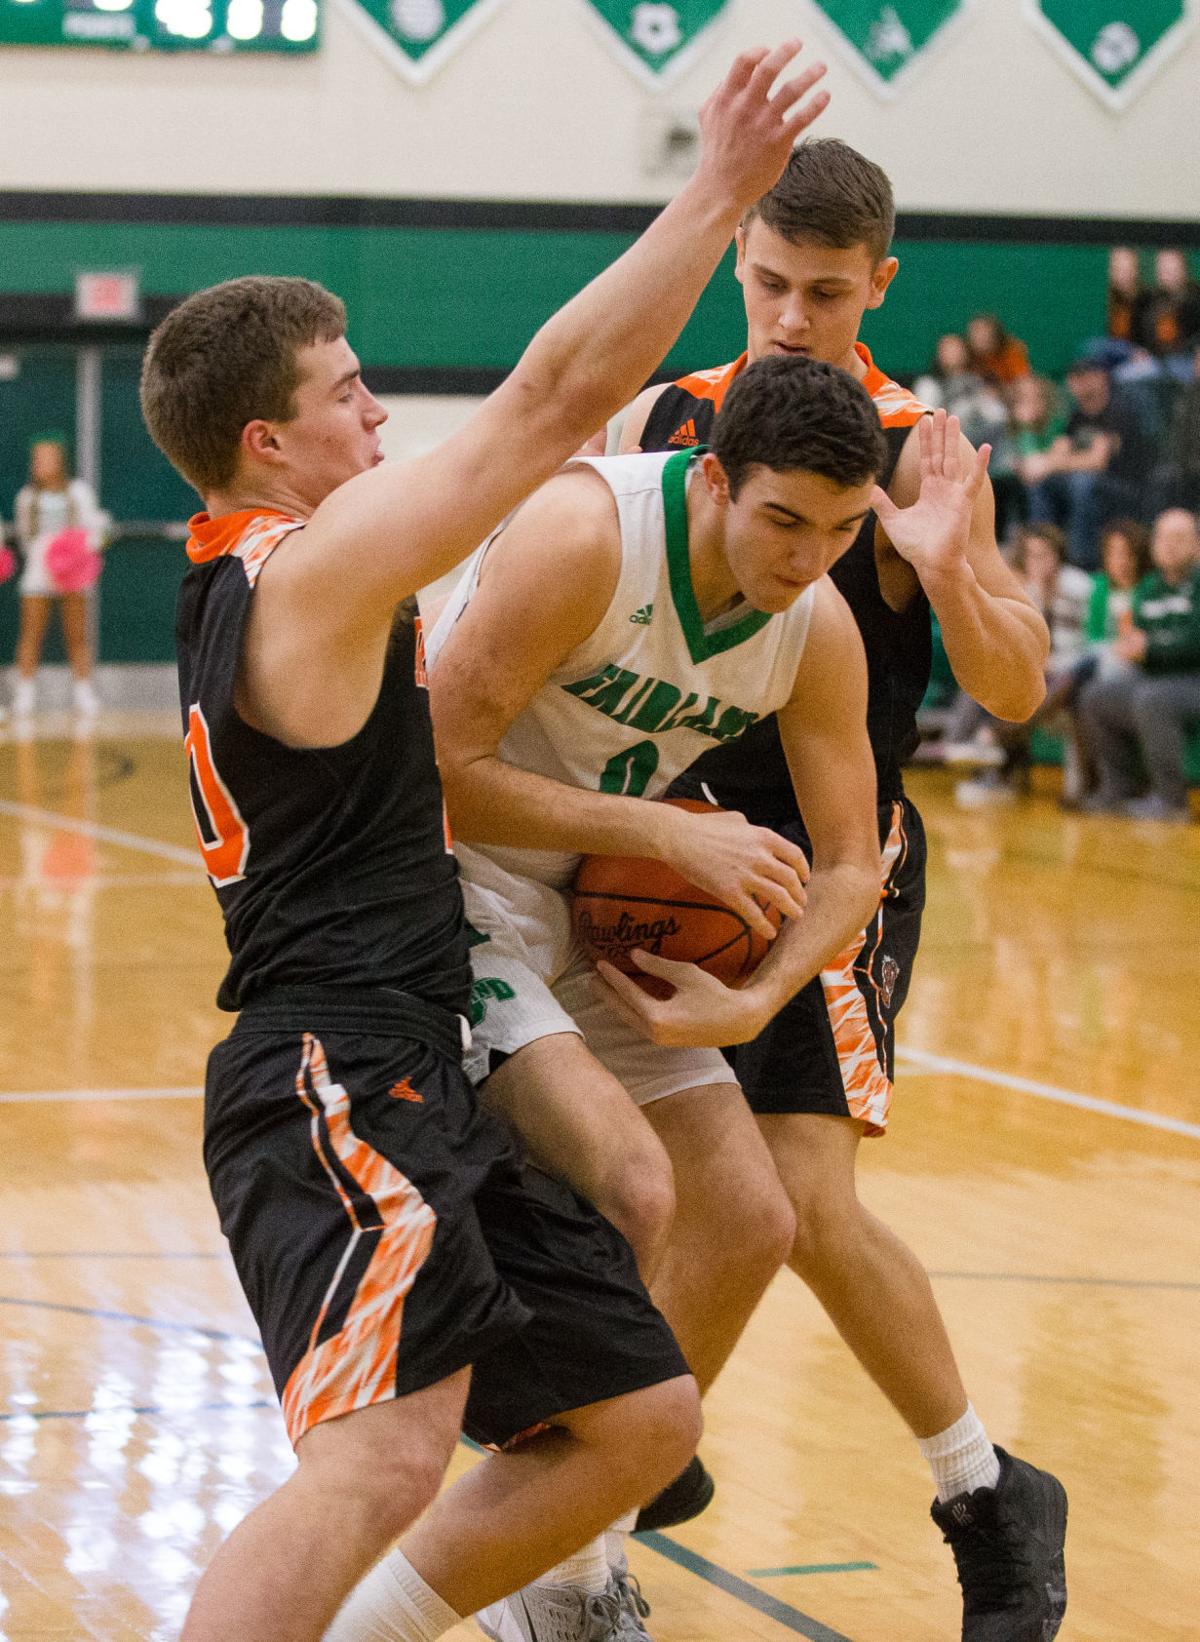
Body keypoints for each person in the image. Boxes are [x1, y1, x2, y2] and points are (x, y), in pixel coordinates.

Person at [138, 41, 832, 1642]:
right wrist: (718, 187)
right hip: (331, 1063)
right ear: (266, 442)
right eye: (347, 392)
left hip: (426, 1047)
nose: (378, 411)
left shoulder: (307, 577)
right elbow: (553, 402)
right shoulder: (295, 577)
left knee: (640, 1419)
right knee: (382, 1451)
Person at [620, 138, 1066, 1642]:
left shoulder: (918, 446)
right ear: (735, 262)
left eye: (825, 292)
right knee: (630, 1179)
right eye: (767, 285)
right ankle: (646, 1438)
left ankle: (985, 1493)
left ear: (881, 284)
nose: (791, 318)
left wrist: (946, 569)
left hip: (828, 860)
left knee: (799, 1202)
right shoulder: (665, 413)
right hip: (656, 848)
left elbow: (1016, 690)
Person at [393, 355, 903, 1641]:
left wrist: (761, 998)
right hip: (449, 891)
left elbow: (855, 859)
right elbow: (440, 768)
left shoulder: (816, 620)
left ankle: (570, 1568)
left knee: (749, 1218)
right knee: (636, 1183)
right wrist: (665, 835)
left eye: (842, 532)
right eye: (784, 520)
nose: (807, 558)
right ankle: (513, 1513)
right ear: (716, 478)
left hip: (590, 902)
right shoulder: (587, 534)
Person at [949, 525, 1094, 805]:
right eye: (1031, 556)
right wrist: (1037, 594)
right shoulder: (1027, 589)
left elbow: (1090, 644)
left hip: (1075, 675)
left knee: (1061, 680)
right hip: (1039, 674)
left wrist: (1053, 662)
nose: (1037, 562)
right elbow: (1023, 642)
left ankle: (990, 737)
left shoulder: (1078, 586)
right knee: (989, 668)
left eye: (1043, 555)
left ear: (1058, 555)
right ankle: (969, 747)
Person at [1076, 507, 1200, 821]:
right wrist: (1133, 647)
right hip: (1158, 678)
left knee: (1153, 698)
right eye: (1163, 537)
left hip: (1191, 681)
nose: (1169, 545)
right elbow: (1140, 640)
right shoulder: (1149, 588)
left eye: (1179, 538)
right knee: (1096, 696)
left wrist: (1151, 648)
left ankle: (1172, 804)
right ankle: (1119, 790)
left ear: (1196, 545)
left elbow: (1191, 643)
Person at [9, 438, 107, 720]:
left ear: (61, 461)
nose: (43, 464)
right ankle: (24, 695)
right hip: (39, 571)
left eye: (49, 458)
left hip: (73, 571)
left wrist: (75, 553)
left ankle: (84, 693)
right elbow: (26, 536)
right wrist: (47, 556)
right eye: (38, 459)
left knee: (77, 633)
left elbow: (93, 528)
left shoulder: (79, 492)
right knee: (31, 633)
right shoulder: (27, 497)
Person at [1025, 358, 1149, 571]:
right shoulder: (1077, 417)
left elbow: (1097, 461)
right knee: (1044, 482)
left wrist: (1052, 463)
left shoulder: (1118, 411)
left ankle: (1080, 562)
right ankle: (1042, 550)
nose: (1078, 383)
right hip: (1087, 482)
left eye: (1085, 377)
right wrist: (1043, 465)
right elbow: (1058, 452)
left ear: (1101, 378)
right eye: (1074, 378)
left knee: (1082, 482)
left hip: (1125, 487)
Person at [966, 312, 1031, 386]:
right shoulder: (967, 355)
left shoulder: (1011, 352)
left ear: (995, 334)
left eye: (983, 331)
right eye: (975, 332)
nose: (979, 336)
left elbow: (1023, 381)